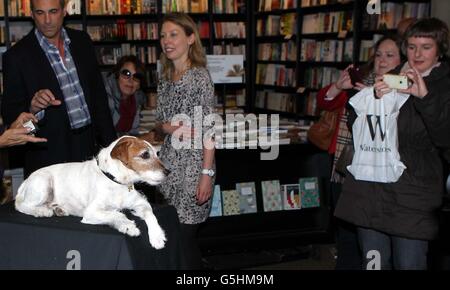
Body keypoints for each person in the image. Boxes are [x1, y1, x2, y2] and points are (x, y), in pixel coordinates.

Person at [335, 18, 450, 270]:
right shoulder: (390, 78)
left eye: (426, 47)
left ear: (440, 49)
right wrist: (366, 97)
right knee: (373, 265)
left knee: (409, 264)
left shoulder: (443, 86)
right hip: (370, 191)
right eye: (411, 46)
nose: (417, 54)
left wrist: (425, 98)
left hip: (412, 196)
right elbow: (361, 129)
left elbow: (444, 139)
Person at [0, 0, 116, 177]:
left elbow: (99, 99)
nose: (47, 20)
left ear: (64, 11)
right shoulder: (16, 57)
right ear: (31, 15)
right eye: (40, 13)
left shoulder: (82, 41)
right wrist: (34, 110)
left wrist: (113, 148)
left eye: (53, 11)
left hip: (89, 146)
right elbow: (13, 122)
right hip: (47, 158)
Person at [316, 35, 403, 270]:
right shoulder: (359, 82)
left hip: (379, 172)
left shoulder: (405, 88)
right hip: (345, 167)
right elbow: (324, 102)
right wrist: (338, 86)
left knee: (371, 239)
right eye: (378, 55)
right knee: (346, 233)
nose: (382, 61)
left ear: (402, 59)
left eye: (390, 55)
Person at [155, 12, 215, 269]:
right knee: (172, 237)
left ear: (191, 38)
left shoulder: (200, 78)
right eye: (163, 35)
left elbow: (210, 130)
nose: (167, 41)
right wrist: (170, 127)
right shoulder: (165, 78)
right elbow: (158, 124)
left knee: (185, 236)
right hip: (167, 167)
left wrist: (206, 173)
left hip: (193, 167)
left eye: (174, 34)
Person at [103, 55, 147, 136]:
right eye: (126, 73)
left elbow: (132, 132)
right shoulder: (104, 97)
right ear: (117, 75)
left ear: (139, 85)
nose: (130, 80)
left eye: (136, 77)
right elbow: (104, 135)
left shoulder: (136, 99)